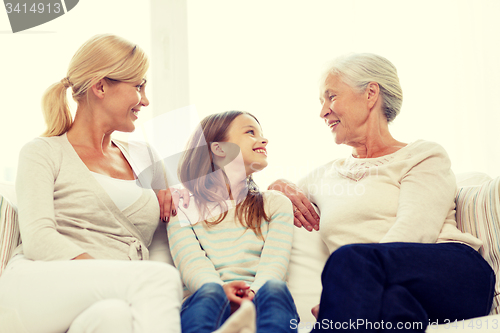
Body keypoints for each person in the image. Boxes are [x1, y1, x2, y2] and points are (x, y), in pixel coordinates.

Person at [269, 53, 495, 332]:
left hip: (453, 276)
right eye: (321, 102)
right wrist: (278, 184)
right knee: (392, 308)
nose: (323, 111)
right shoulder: (322, 176)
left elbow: (415, 231)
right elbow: (264, 198)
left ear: (371, 94)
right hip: (390, 293)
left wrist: (343, 291)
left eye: (331, 97)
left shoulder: (422, 155)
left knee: (352, 258)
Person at [0, 34, 186, 333]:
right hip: (37, 284)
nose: (146, 100)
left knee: (115, 317)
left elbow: (164, 242)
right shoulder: (42, 152)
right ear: (100, 86)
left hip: (111, 295)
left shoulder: (145, 156)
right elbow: (38, 238)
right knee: (159, 279)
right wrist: (117, 275)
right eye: (138, 86)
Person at [167, 111, 299, 333]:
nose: (264, 140)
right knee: (209, 292)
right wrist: (222, 292)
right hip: (208, 302)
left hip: (262, 300)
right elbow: (192, 263)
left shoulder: (275, 204)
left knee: (275, 288)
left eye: (262, 134)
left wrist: (252, 294)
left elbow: (274, 264)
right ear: (218, 148)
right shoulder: (181, 205)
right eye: (250, 132)